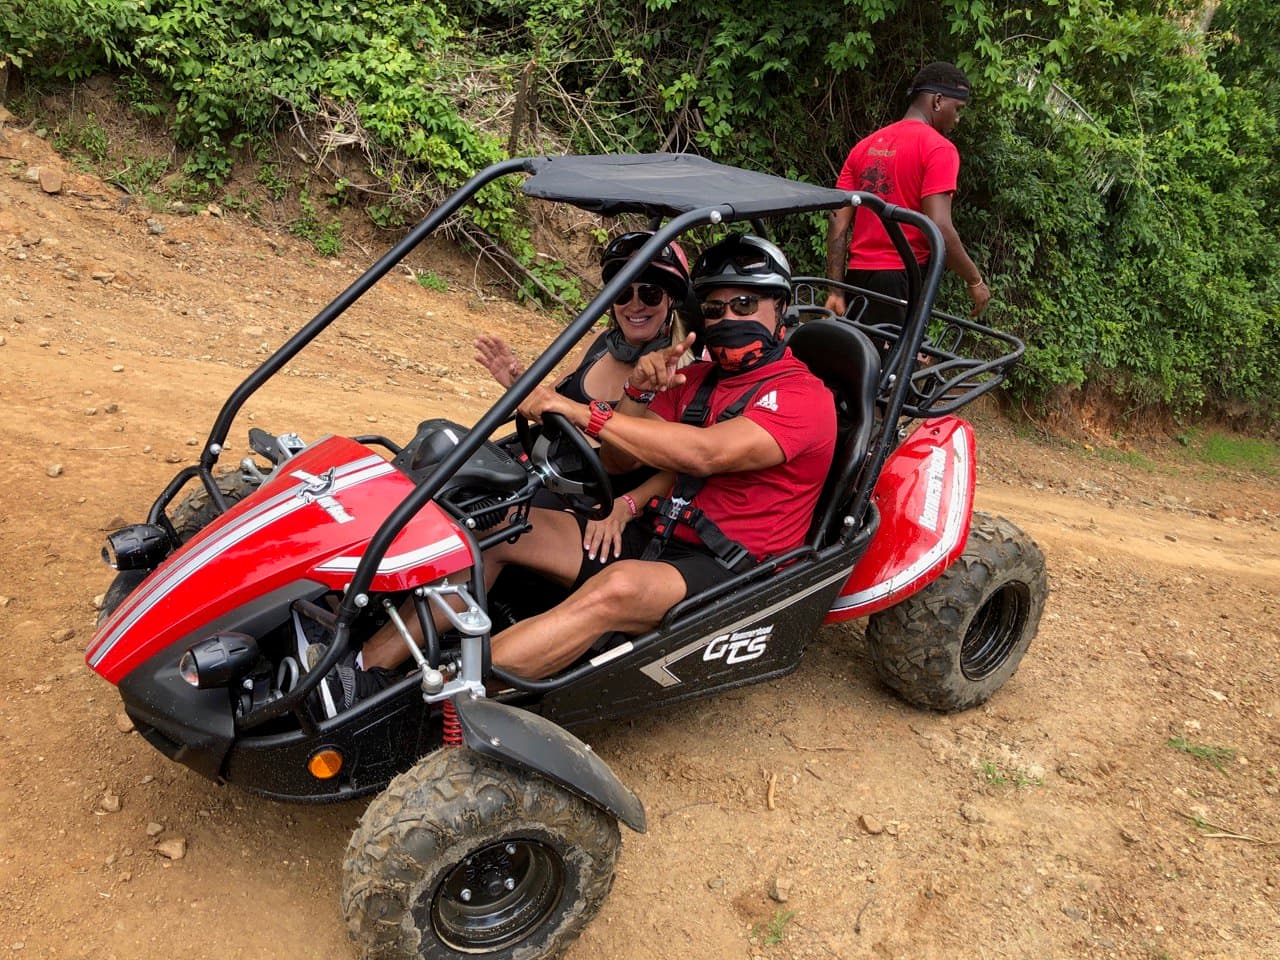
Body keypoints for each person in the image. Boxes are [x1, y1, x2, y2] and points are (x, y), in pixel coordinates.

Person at [318, 234, 836, 706]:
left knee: (619, 589)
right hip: (655, 529)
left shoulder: (802, 396)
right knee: (498, 524)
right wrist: (637, 392)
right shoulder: (696, 376)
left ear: (781, 309)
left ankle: (415, 700)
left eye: (745, 304)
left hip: (731, 567)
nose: (728, 319)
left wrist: (584, 412)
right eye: (716, 307)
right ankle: (360, 672)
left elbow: (706, 454)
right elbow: (620, 461)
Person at [825, 61, 991, 326]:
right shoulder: (939, 149)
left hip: (858, 277)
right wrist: (974, 280)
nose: (957, 119)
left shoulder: (864, 146)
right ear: (938, 101)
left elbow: (837, 221)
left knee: (857, 360)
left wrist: (836, 289)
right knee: (897, 365)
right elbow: (939, 226)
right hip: (904, 278)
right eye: (958, 109)